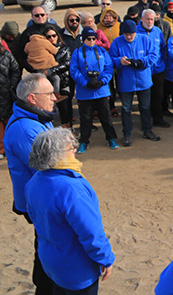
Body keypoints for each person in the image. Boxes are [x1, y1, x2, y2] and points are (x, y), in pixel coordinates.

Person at [25, 128, 115, 294]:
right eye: (71, 147)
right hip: (76, 269)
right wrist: (105, 258)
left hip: (50, 261)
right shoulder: (70, 188)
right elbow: (90, 231)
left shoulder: (34, 181)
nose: (75, 150)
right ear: (57, 154)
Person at [3, 73, 57, 293]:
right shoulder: (25, 129)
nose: (55, 97)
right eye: (50, 93)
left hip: (44, 198)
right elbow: (48, 168)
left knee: (49, 249)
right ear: (32, 99)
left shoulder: (38, 118)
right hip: (41, 202)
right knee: (47, 253)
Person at [109, 20, 160, 144]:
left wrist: (142, 62)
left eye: (131, 34)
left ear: (135, 32)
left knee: (145, 107)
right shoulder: (117, 42)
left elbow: (154, 55)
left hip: (144, 81)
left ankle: (147, 130)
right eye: (126, 34)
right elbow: (110, 60)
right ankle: (127, 134)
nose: (129, 36)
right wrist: (119, 62)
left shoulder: (144, 39)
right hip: (126, 82)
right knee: (126, 109)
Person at [70, 27, 119, 151]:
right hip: (84, 92)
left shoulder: (102, 51)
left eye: (93, 39)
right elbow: (74, 70)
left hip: (101, 90)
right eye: (88, 39)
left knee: (106, 116)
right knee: (86, 118)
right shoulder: (77, 53)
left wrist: (102, 81)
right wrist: (85, 83)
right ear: (83, 39)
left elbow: (108, 67)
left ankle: (111, 138)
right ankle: (84, 141)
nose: (91, 41)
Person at [137, 9, 170, 129]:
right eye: (147, 19)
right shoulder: (136, 32)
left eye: (152, 19)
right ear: (141, 19)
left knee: (158, 95)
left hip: (158, 69)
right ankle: (146, 121)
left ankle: (158, 118)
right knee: (145, 97)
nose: (150, 21)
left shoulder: (157, 31)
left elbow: (162, 48)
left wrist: (163, 63)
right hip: (144, 70)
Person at [0, 40, 20, 160]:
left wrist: (11, 85)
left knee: (8, 121)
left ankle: (9, 148)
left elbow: (15, 70)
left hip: (6, 94)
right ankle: (1, 149)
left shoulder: (6, 55)